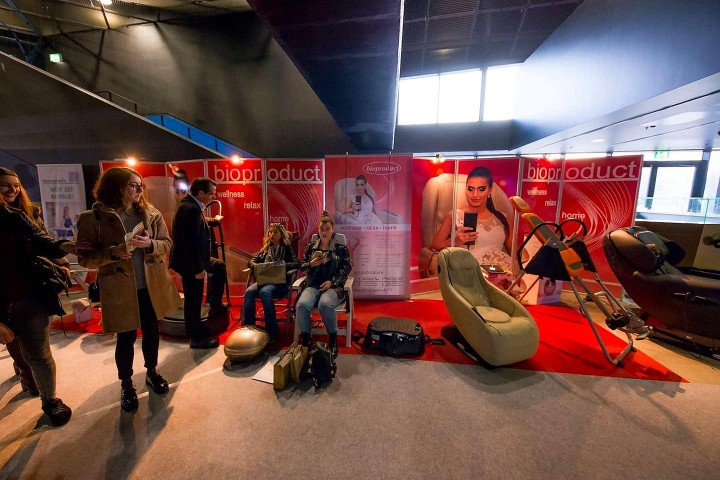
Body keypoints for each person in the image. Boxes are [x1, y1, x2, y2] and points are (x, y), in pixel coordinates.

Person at [76, 167, 179, 413]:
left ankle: (152, 372)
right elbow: (85, 258)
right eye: (134, 185)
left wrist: (150, 243)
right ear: (116, 187)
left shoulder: (149, 212)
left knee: (152, 332)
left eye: (141, 185)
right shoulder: (93, 218)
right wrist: (114, 253)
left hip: (150, 287)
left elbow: (167, 244)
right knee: (126, 338)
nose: (139, 190)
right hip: (120, 289)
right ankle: (126, 384)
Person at [0, 191, 75, 426]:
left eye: (14, 186)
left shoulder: (14, 216)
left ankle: (50, 400)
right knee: (22, 355)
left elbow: (44, 242)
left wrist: (69, 247)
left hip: (29, 298)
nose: (10, 191)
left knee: (38, 354)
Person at [430, 166, 514, 289]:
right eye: (470, 189)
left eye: (481, 189)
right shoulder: (455, 216)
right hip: (469, 272)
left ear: (490, 190)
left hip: (501, 274)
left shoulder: (503, 218)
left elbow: (515, 254)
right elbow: (434, 246)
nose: (475, 195)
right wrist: (455, 241)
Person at [169, 177, 227, 349]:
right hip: (191, 263)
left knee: (219, 267)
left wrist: (213, 220)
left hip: (196, 259)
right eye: (210, 194)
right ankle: (195, 338)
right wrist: (198, 269)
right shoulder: (191, 209)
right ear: (200, 192)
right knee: (193, 299)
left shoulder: (189, 205)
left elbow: (196, 224)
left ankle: (215, 305)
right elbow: (189, 243)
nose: (212, 197)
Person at [296, 211, 351, 356]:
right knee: (302, 305)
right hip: (313, 285)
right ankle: (306, 339)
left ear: (332, 230)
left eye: (327, 229)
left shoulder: (340, 248)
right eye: (322, 229)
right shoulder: (311, 247)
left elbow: (346, 269)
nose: (324, 232)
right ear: (318, 230)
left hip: (333, 287)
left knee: (324, 304)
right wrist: (311, 263)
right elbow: (302, 267)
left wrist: (332, 282)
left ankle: (333, 338)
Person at [242, 223, 299, 341]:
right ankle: (249, 327)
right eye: (270, 232)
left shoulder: (286, 248)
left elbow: (296, 263)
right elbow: (251, 261)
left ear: (281, 234)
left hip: (280, 283)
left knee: (265, 292)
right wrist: (255, 266)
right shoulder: (265, 249)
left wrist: (280, 266)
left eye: (275, 232)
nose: (272, 234)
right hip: (264, 280)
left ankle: (272, 332)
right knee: (249, 292)